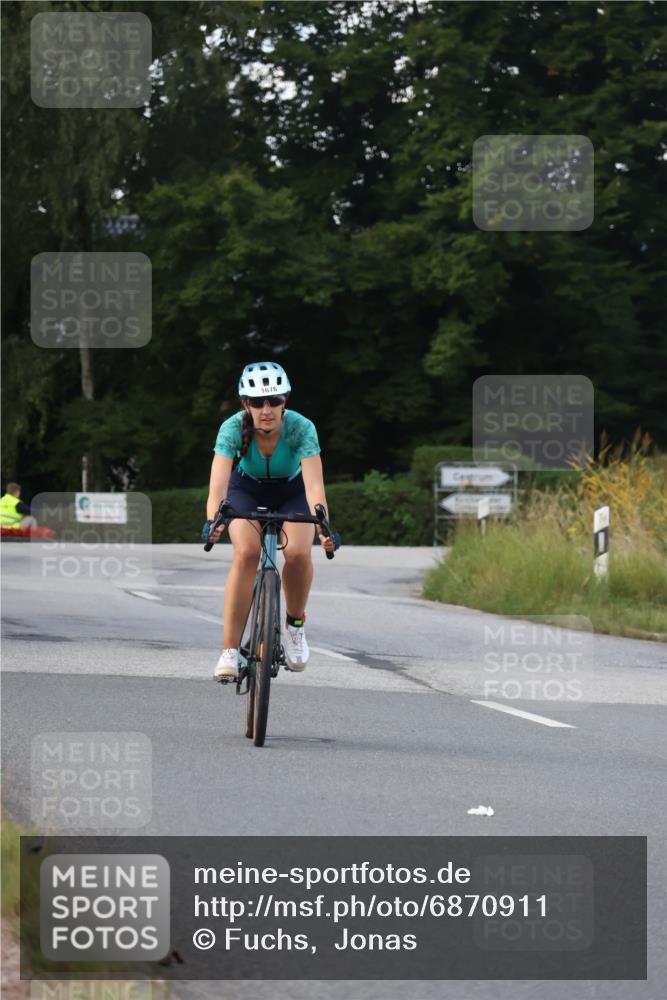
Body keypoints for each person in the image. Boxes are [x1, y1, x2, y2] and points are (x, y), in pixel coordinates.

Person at [204, 362, 335, 680]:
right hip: (245, 490)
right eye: (257, 402)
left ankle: (294, 626)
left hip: (291, 492)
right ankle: (230, 651)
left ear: (285, 401)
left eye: (274, 400)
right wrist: (213, 521)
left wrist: (324, 526)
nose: (267, 409)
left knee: (298, 554)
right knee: (247, 554)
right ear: (244, 404)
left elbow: (314, 485)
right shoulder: (232, 428)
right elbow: (219, 485)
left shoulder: (301, 427)